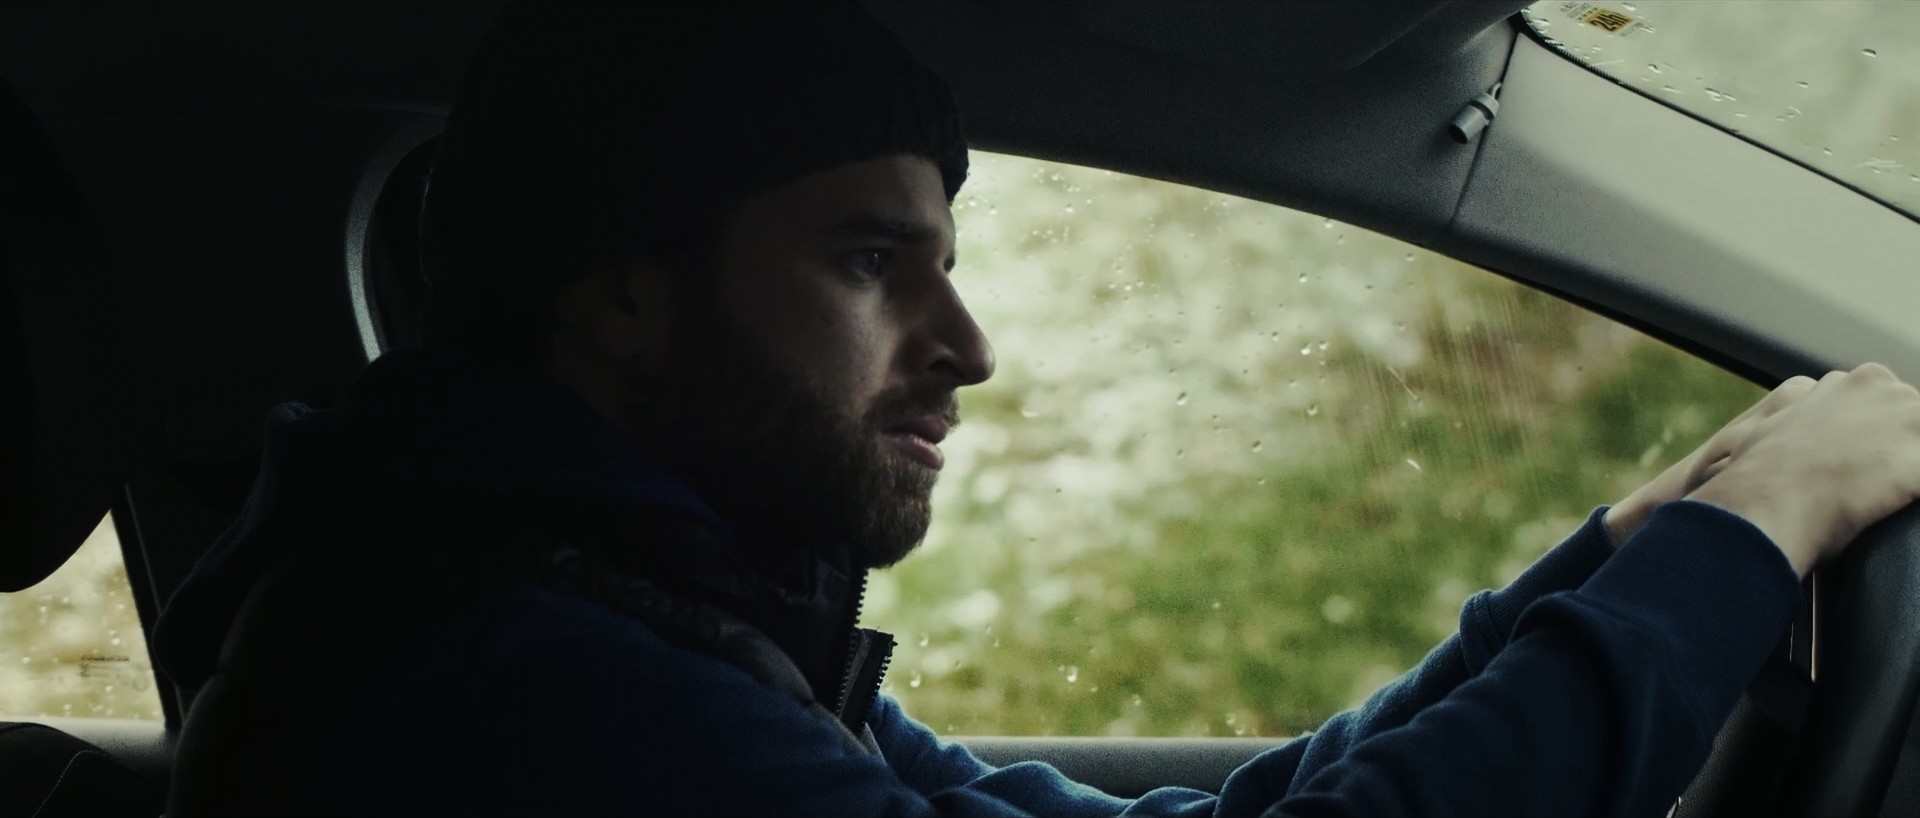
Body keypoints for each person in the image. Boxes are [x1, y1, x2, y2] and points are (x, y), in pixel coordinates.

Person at [151, 2, 1920, 816]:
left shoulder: (658, 627)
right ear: (623, 287)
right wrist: (1746, 542)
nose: (967, 340)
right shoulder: (530, 695)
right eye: (869, 261)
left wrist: (1627, 545)